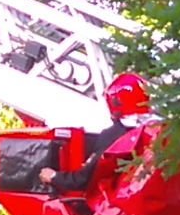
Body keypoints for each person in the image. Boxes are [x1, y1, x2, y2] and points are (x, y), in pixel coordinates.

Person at [42, 70, 158, 199]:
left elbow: (84, 179)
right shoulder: (159, 130)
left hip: (123, 207)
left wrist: (53, 176)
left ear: (115, 103)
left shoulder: (114, 135)